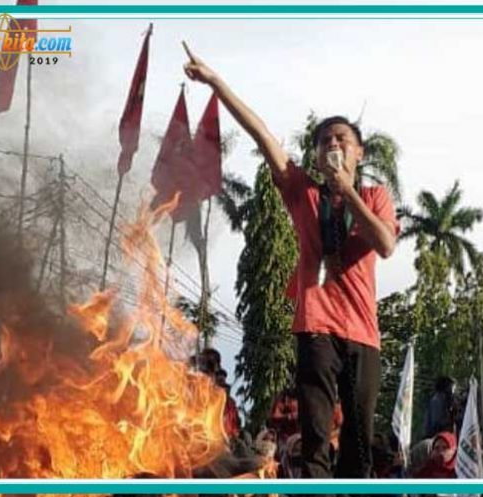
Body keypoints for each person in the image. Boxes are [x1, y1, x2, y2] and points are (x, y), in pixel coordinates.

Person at [182, 43, 399, 479]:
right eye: (324, 141)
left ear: (358, 153)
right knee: (315, 433)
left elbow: (385, 244)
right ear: (316, 156)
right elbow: (261, 135)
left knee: (358, 437)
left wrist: (346, 191)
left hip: (363, 332)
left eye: (341, 139)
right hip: (315, 325)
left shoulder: (376, 196)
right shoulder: (304, 193)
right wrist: (216, 82)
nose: (332, 144)